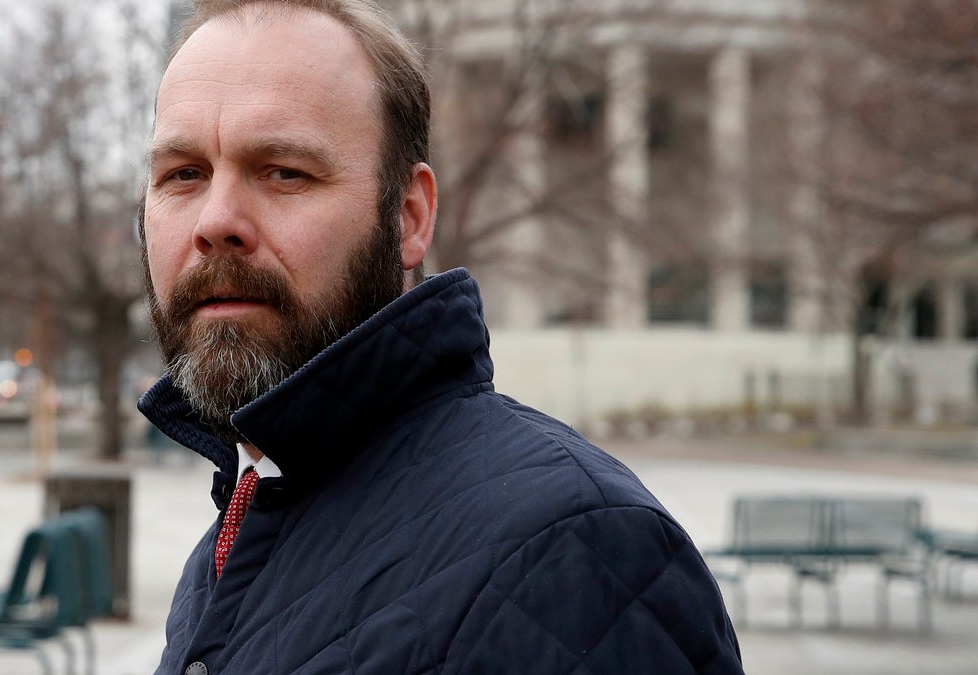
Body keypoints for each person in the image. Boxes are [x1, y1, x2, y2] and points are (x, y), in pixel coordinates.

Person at [137, 1, 744, 673]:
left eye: (284, 171)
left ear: (409, 216)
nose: (217, 220)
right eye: (183, 174)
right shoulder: (244, 527)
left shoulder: (574, 551)